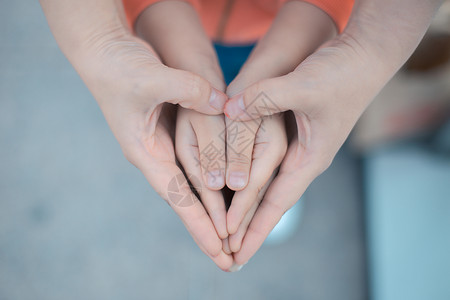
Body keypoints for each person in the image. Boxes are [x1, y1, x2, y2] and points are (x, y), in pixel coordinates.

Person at [39, 0, 443, 272]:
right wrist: (110, 38)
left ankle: (261, 168)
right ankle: (251, 168)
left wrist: (353, 42)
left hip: (290, 19)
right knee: (201, 98)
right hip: (159, 17)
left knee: (269, 99)